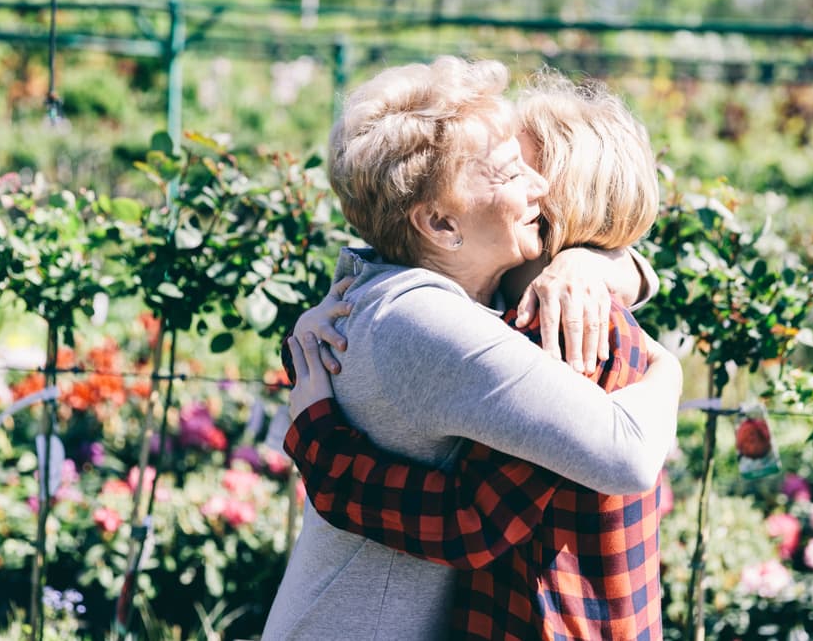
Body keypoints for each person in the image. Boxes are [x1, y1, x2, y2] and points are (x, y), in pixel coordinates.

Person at [261, 57, 681, 641]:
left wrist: (596, 262)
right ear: (440, 223)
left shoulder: (510, 309)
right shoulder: (429, 320)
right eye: (512, 174)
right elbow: (477, 516)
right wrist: (669, 366)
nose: (537, 190)